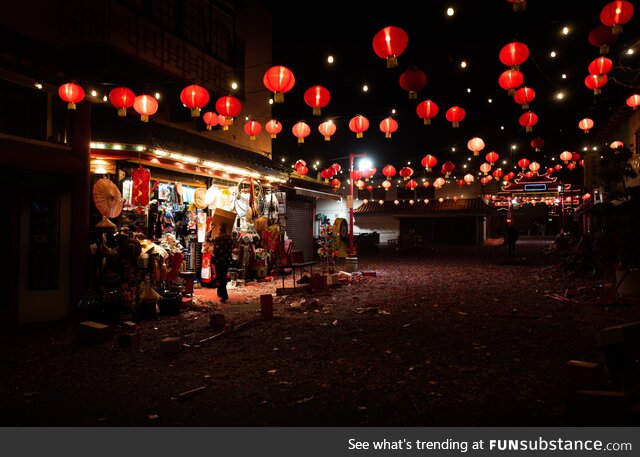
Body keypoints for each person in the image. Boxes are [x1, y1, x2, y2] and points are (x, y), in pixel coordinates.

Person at [213, 223, 234, 303]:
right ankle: (221, 292)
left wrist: (211, 229)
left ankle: (224, 295)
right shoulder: (230, 239)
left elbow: (207, 238)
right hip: (227, 261)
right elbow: (233, 247)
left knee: (220, 277)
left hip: (219, 261)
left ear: (220, 230)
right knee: (223, 277)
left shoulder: (218, 238)